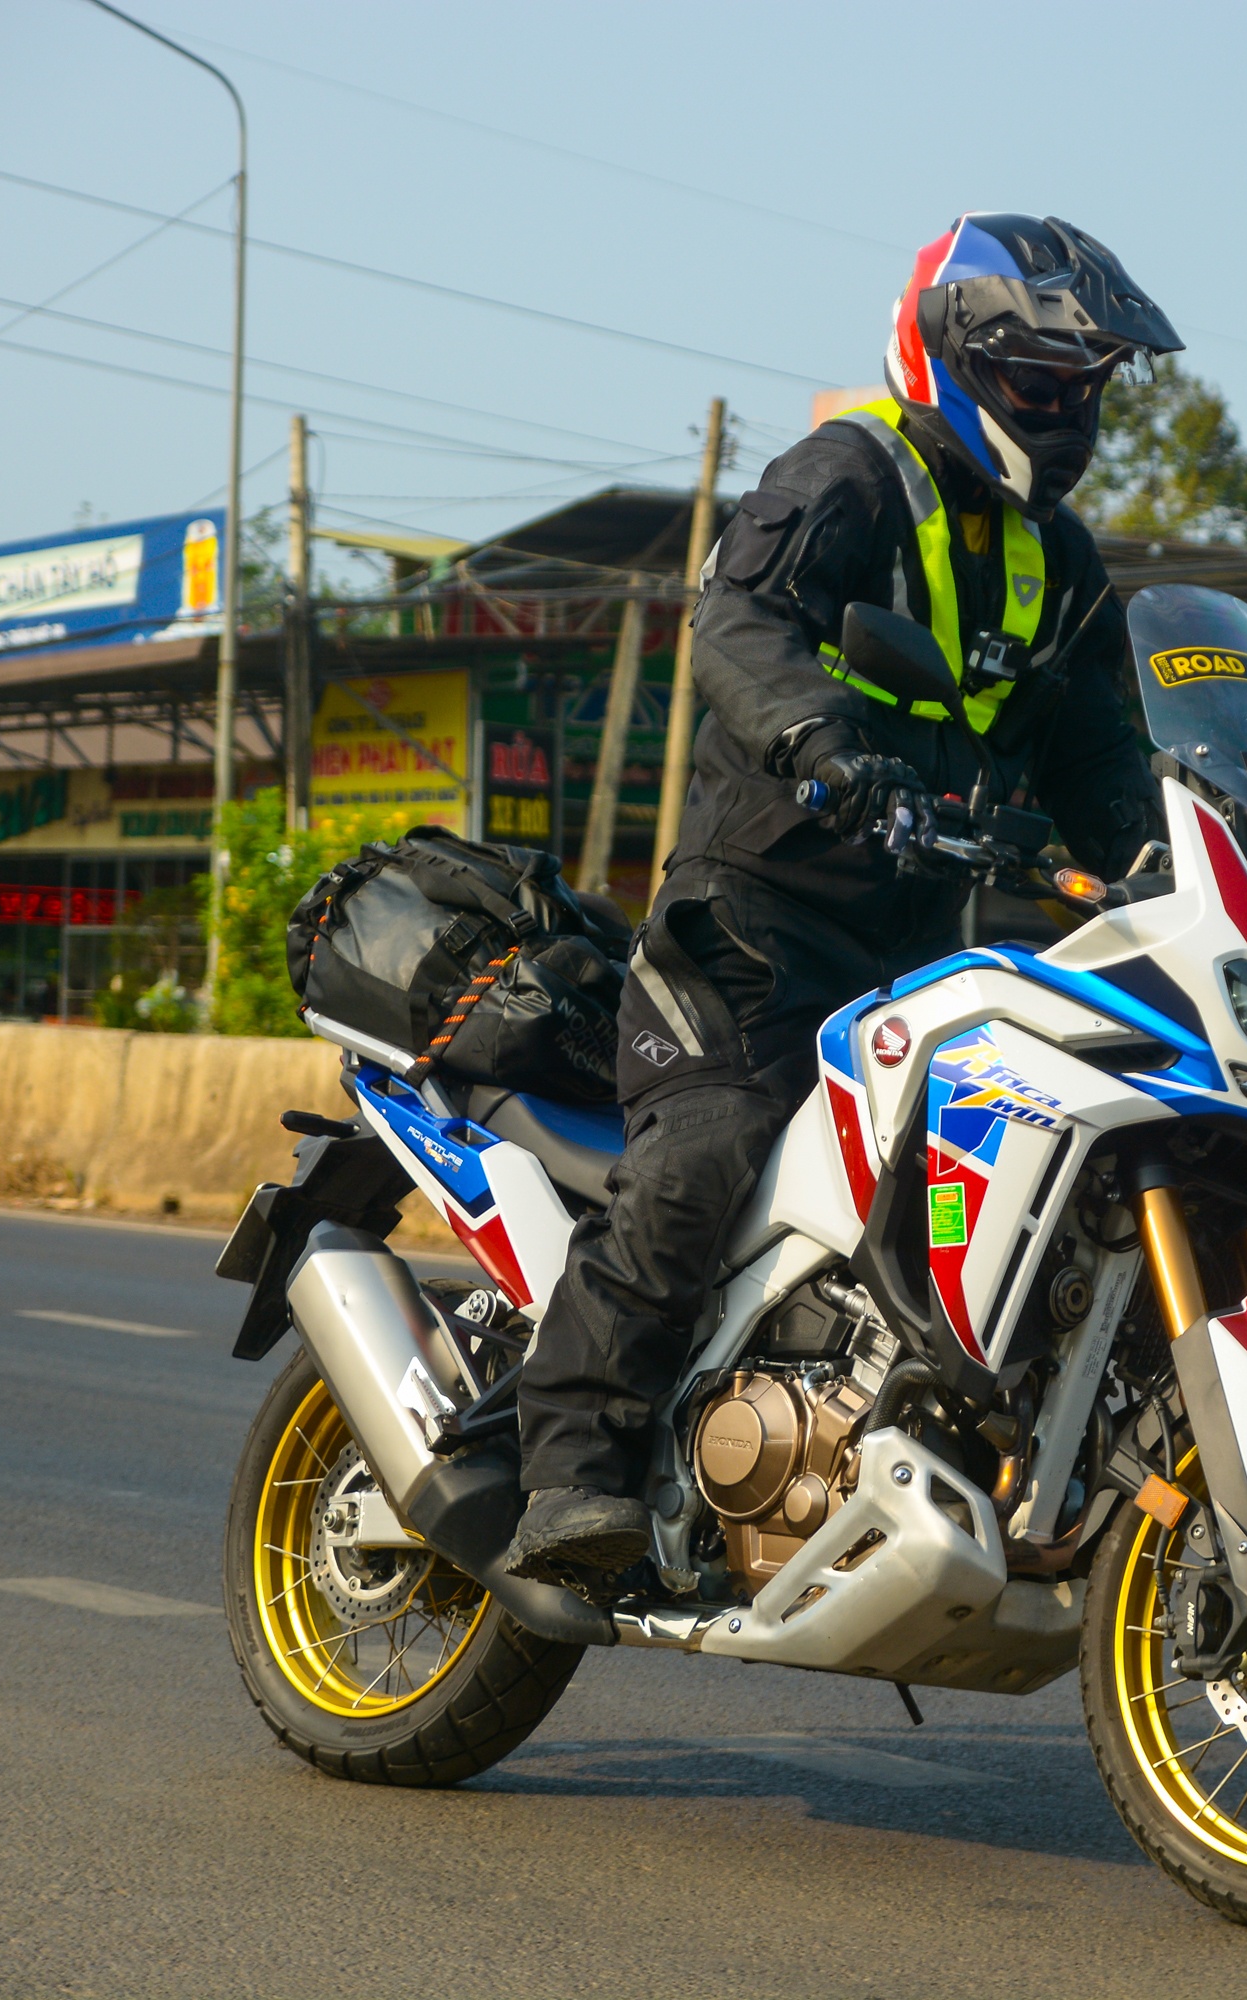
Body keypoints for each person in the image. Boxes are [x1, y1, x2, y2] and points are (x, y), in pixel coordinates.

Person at [505, 215, 1182, 1589]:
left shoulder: (1064, 564)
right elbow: (741, 627)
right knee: (707, 1151)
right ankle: (569, 1467)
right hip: (758, 928)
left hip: (927, 950)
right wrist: (825, 745)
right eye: (1039, 381)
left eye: (1083, 387)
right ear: (953, 360)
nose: (1063, 412)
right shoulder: (850, 474)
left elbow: (1103, 755)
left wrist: (1179, 859)